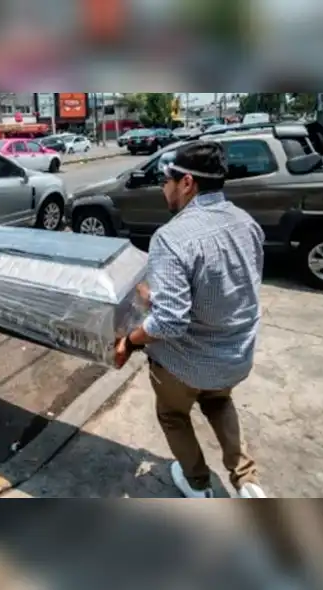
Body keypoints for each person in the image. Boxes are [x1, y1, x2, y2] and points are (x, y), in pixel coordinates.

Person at [113, 141, 266, 498]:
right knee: (218, 401)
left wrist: (129, 341)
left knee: (173, 415)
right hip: (235, 357)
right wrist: (160, 297)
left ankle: (199, 484)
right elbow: (235, 288)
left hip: (186, 365)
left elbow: (169, 324)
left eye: (167, 180)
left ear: (186, 184)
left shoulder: (171, 237)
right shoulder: (247, 224)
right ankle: (247, 482)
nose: (163, 188)